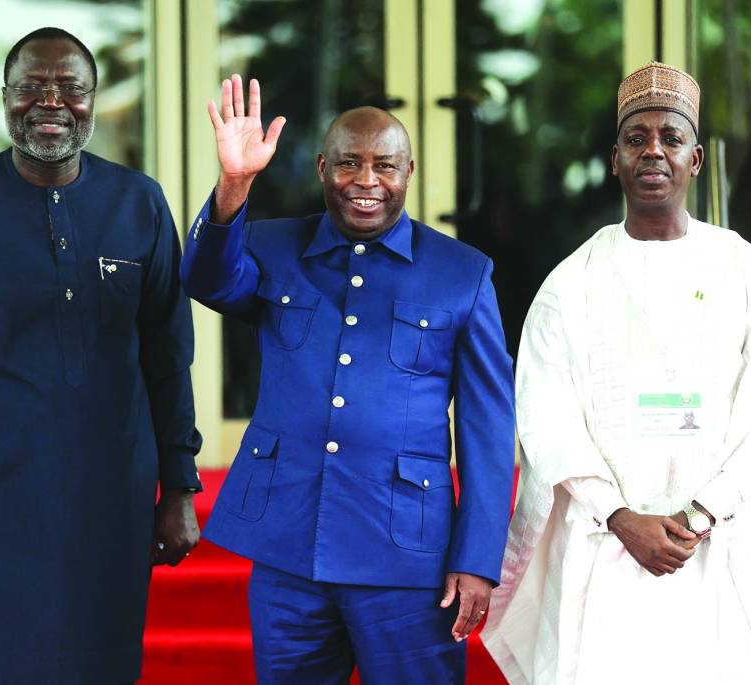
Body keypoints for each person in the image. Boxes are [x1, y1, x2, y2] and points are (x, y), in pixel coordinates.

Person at [482, 62, 751, 684]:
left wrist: (705, 511)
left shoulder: (747, 272)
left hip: (723, 552)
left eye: (671, 138)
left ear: (696, 159)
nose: (654, 151)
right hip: (606, 551)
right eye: (636, 138)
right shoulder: (571, 284)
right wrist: (622, 519)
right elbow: (545, 418)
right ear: (616, 158)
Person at [180, 75, 515, 684]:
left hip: (408, 554)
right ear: (320, 168)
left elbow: (489, 428)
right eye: (349, 165)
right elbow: (205, 280)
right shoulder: (274, 247)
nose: (366, 182)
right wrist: (235, 184)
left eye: (384, 166)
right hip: (287, 544)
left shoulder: (462, 273)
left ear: (409, 171)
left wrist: (477, 559)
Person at [0, 27, 202, 685]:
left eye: (71, 88)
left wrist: (178, 484)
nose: (51, 102)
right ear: (5, 97)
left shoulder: (139, 203)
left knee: (104, 665)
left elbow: (168, 354)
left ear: (92, 99)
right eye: (31, 87)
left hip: (111, 497)